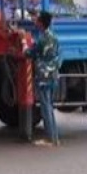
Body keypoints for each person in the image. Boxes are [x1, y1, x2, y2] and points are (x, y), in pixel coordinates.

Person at [29, 10, 60, 146]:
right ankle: (55, 137)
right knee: (50, 107)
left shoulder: (42, 39)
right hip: (53, 75)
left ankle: (50, 139)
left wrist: (23, 47)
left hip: (43, 76)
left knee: (45, 107)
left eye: (38, 21)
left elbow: (30, 53)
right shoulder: (54, 37)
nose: (36, 22)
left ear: (41, 23)